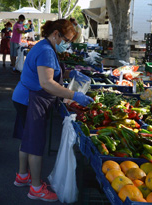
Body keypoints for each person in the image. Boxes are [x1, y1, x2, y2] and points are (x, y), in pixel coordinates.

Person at [12, 19, 93, 202]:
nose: (68, 44)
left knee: (27, 138)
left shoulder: (44, 46)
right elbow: (46, 83)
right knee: (35, 143)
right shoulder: (46, 51)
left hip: (24, 97)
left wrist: (69, 74)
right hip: (32, 100)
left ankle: (23, 175)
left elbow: (48, 73)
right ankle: (36, 188)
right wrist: (74, 95)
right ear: (56, 34)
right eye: (67, 39)